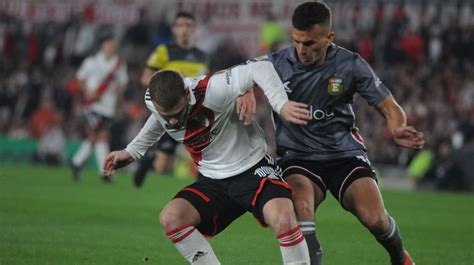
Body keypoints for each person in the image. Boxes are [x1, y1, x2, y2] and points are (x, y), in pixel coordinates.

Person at [246, 2, 424, 265]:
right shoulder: (274, 63)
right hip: (297, 157)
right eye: (296, 41)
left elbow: (389, 105)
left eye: (309, 44)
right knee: (301, 211)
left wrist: (397, 127)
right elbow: (239, 74)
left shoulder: (350, 64)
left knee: (376, 220)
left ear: (329, 38)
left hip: (344, 154)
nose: (301, 50)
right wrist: (245, 89)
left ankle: (400, 258)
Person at [103, 61, 312, 264]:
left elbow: (260, 67)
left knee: (283, 217)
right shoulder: (155, 99)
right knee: (172, 218)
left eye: (177, 113)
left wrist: (279, 103)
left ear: (187, 93)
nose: (173, 122)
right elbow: (158, 119)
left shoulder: (211, 89)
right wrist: (132, 151)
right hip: (213, 180)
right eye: (168, 117)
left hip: (253, 169)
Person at [133, 11, 209, 187]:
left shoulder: (203, 56)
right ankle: (149, 161)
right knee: (162, 167)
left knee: (204, 157)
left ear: (194, 29)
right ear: (174, 29)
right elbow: (146, 78)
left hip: (195, 114)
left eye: (188, 26)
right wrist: (168, 89)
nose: (185, 30)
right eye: (180, 26)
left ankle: (204, 194)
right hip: (172, 113)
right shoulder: (164, 51)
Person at [70, 31, 129, 182]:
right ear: (102, 45)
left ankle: (77, 163)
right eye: (109, 44)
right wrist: (87, 91)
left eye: (113, 45)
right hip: (93, 105)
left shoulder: (119, 64)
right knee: (100, 135)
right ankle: (103, 172)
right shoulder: (91, 62)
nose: (111, 47)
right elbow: (78, 80)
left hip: (108, 107)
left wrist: (118, 89)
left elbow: (123, 84)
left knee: (96, 137)